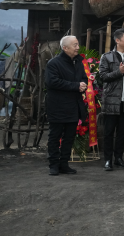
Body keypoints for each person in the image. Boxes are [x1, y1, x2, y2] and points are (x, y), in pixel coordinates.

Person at [45, 35, 88, 176]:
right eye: (75, 45)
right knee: (54, 136)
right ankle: (53, 164)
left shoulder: (78, 62)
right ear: (65, 48)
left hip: (73, 105)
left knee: (69, 137)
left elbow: (83, 78)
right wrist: (76, 86)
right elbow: (53, 82)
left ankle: (64, 164)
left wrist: (83, 84)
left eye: (77, 44)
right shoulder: (54, 63)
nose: (77, 48)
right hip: (57, 106)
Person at [99, 28, 124, 171]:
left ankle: (119, 158)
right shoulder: (106, 57)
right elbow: (102, 76)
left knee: (122, 132)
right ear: (117, 40)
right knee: (108, 132)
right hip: (111, 101)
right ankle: (108, 160)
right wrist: (119, 72)